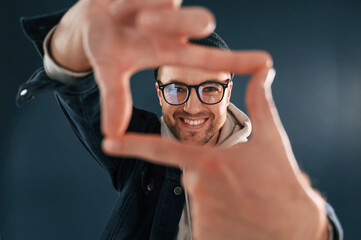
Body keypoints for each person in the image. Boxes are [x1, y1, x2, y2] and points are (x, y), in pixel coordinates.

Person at [17, 0, 343, 239]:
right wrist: (68, 50)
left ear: (228, 92)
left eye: (210, 89)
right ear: (160, 93)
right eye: (176, 89)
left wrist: (316, 232)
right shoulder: (139, 146)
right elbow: (82, 95)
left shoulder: (255, 169)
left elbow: (296, 214)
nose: (192, 107)